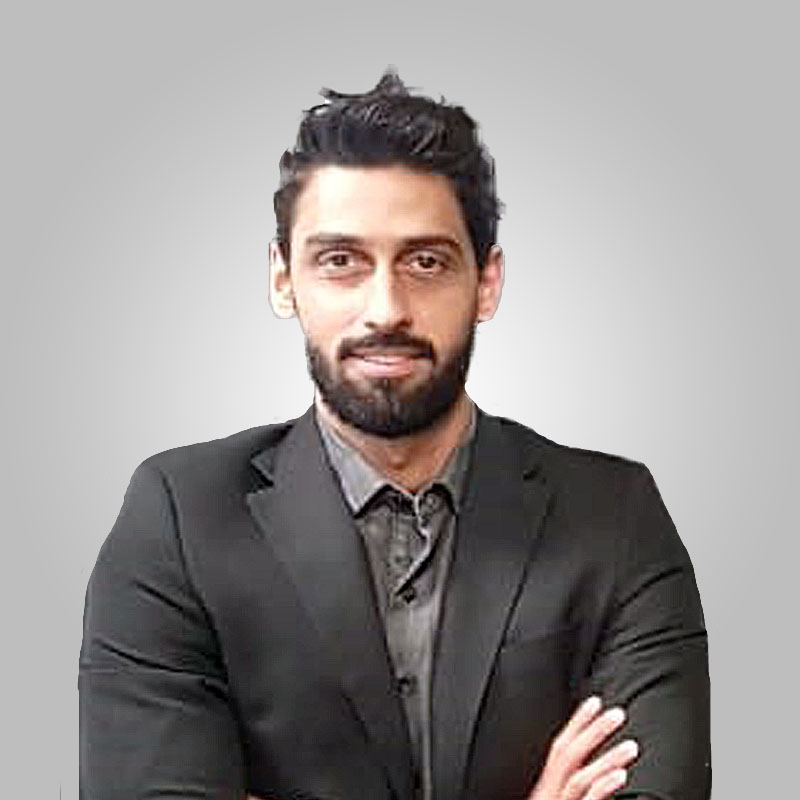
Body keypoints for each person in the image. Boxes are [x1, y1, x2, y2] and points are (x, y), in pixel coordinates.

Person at [79, 70, 711, 800]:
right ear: (283, 279)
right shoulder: (178, 519)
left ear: (487, 282)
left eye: (426, 262)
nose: (386, 309)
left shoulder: (614, 516)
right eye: (340, 261)